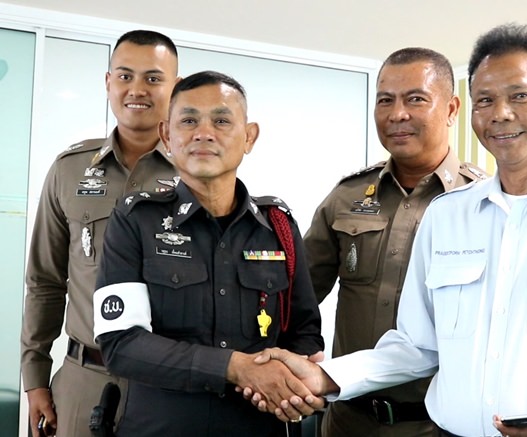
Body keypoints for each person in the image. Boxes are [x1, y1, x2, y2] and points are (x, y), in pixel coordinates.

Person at [252, 23, 527, 437]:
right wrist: (327, 375)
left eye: (521, 96)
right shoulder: (446, 217)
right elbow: (415, 346)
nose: (500, 114)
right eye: (484, 100)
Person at [92, 70, 324, 436]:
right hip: (160, 428)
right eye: (188, 121)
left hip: (256, 425)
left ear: (249, 137)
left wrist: (289, 382)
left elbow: (304, 331)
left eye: (221, 120)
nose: (204, 133)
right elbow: (121, 344)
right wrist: (234, 367)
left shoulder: (278, 226)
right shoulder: (135, 220)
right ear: (167, 135)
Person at [303, 47, 485, 437]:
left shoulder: (482, 203)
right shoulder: (347, 196)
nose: (396, 114)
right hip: (347, 421)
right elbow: (297, 296)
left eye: (415, 99)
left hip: (442, 425)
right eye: (385, 100)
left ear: (452, 109)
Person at [20, 30, 179, 437]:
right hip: (82, 379)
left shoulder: (197, 174)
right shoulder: (69, 169)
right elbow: (44, 281)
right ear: (108, 82)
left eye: (153, 78)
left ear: (175, 87)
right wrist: (35, 375)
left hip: (169, 388)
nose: (137, 90)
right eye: (125, 76)